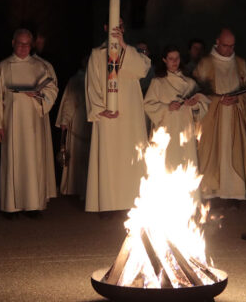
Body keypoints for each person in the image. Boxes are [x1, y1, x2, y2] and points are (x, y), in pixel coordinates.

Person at [0, 29, 58, 215]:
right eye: (20, 43)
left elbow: (52, 90)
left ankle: (34, 205)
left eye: (27, 44)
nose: (24, 47)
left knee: (34, 162)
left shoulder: (41, 66)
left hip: (34, 124)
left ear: (31, 45)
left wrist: (39, 95)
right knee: (12, 162)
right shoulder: (2, 67)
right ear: (13, 42)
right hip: (11, 123)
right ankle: (11, 206)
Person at [85, 19, 150, 213]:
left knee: (132, 154)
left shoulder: (132, 52)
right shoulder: (97, 55)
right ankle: (108, 203)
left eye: (121, 25)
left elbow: (141, 70)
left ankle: (132, 202)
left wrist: (123, 46)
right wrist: (99, 109)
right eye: (114, 25)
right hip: (108, 113)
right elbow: (92, 84)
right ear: (105, 27)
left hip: (131, 114)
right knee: (109, 157)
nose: (117, 28)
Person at [192, 29, 246, 200]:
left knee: (234, 153)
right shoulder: (205, 64)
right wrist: (218, 100)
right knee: (212, 155)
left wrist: (237, 99)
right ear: (217, 42)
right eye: (226, 46)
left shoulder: (240, 64)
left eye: (232, 46)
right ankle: (212, 194)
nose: (229, 50)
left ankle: (235, 194)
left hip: (236, 117)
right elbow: (196, 90)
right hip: (212, 118)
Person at [144, 45, 209, 169]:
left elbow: (202, 108)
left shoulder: (190, 83)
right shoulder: (158, 82)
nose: (174, 62)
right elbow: (148, 105)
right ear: (164, 60)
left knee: (186, 165)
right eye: (171, 59)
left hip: (186, 130)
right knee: (166, 164)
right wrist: (167, 107)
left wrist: (194, 104)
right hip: (166, 130)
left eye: (177, 58)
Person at [56, 56, 91, 198]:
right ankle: (74, 187)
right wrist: (65, 120)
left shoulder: (98, 78)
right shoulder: (76, 79)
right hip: (78, 121)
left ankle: (88, 189)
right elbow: (69, 101)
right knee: (76, 155)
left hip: (92, 121)